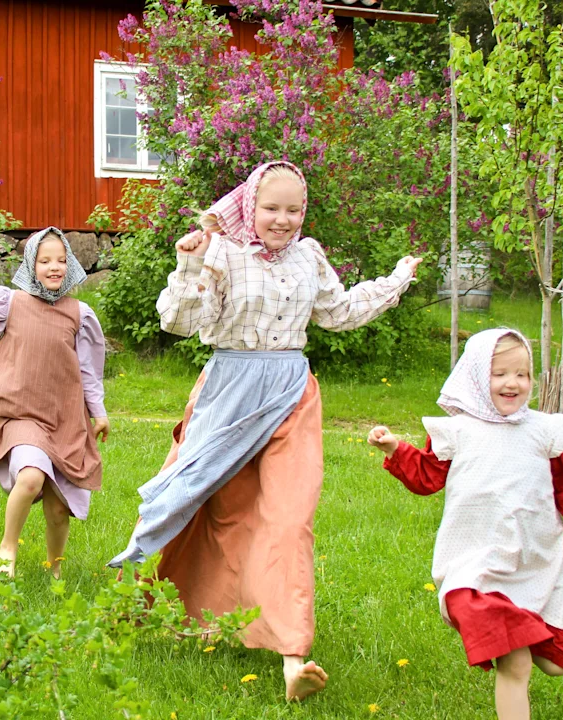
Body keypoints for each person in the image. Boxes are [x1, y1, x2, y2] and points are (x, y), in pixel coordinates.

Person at [109, 161, 421, 701]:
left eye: (294, 209)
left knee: (289, 520)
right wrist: (188, 266)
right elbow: (178, 323)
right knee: (190, 499)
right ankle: (126, 608)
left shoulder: (310, 255)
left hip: (291, 394)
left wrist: (397, 280)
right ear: (250, 206)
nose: (283, 220)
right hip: (229, 390)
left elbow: (338, 311)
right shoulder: (222, 252)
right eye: (271, 208)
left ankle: (293, 657)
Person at [368, 328, 563, 720]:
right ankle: (501, 640)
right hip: (474, 566)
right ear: (476, 376)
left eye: (522, 374)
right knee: (517, 664)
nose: (513, 383)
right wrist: (395, 448)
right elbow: (426, 477)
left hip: (533, 564)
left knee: (555, 665)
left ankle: (520, 632)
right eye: (500, 374)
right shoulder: (457, 430)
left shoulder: (547, 432)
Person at [0, 227, 110, 579]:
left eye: (62, 260)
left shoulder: (79, 315)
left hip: (64, 418)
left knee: (57, 508)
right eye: (45, 260)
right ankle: (8, 547)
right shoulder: (12, 303)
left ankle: (55, 569)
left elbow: (89, 371)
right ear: (30, 265)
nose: (55, 267)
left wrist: (98, 412)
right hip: (20, 415)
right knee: (32, 477)